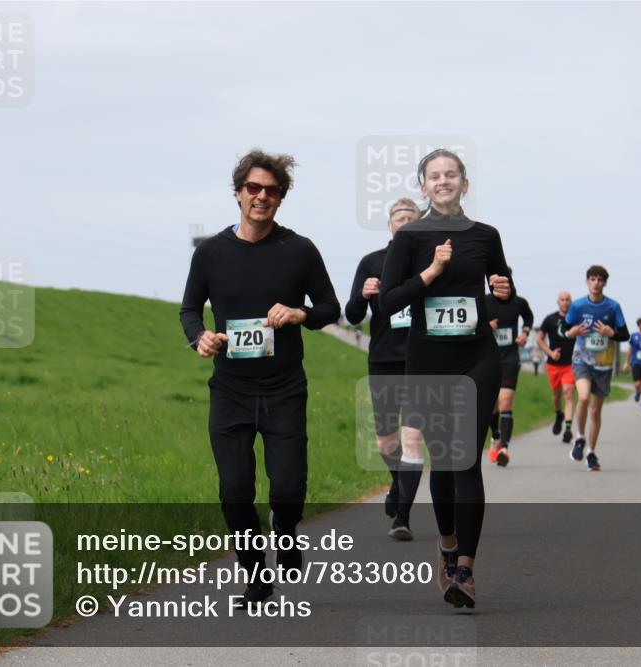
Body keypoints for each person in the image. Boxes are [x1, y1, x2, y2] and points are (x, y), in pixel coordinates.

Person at [179, 149, 340, 607]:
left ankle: (285, 531)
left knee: (287, 488)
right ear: (238, 193)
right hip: (230, 389)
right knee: (234, 491)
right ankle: (255, 576)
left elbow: (330, 307)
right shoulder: (210, 252)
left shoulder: (300, 249)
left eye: (271, 191)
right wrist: (199, 338)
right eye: (253, 188)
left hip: (284, 388)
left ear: (280, 198)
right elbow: (190, 308)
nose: (261, 197)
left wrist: (298, 312)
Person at [380, 148, 513, 609]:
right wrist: (432, 272)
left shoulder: (485, 235)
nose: (443, 181)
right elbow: (387, 303)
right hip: (429, 361)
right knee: (443, 459)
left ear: (464, 183)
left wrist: (504, 293)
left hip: (477, 358)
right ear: (424, 187)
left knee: (467, 462)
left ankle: (466, 572)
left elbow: (504, 296)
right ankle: (448, 544)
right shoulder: (410, 238)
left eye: (450, 174)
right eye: (434, 176)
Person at [345, 198, 425, 540]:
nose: (404, 223)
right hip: (383, 359)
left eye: (411, 218)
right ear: (389, 224)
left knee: (413, 438)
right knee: (385, 441)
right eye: (399, 218)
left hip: (423, 360)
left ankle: (402, 517)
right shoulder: (372, 262)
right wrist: (363, 296)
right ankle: (397, 485)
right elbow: (350, 315)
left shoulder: (430, 261)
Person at [565, 266, 630, 471]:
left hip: (603, 364)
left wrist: (611, 333)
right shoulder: (577, 306)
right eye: (592, 279)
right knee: (583, 397)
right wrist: (572, 332)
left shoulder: (613, 307)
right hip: (581, 361)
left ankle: (591, 453)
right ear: (587, 281)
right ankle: (580, 437)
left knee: (595, 411)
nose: (596, 283)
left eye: (600, 280)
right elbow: (563, 328)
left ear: (605, 283)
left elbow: (625, 334)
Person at [485, 291, 534, 466]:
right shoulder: (483, 301)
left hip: (510, 359)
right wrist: (485, 326)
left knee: (505, 402)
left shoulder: (519, 302)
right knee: (491, 404)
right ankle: (496, 436)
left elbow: (528, 318)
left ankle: (504, 448)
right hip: (487, 358)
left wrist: (525, 334)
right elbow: (470, 323)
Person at [537, 291, 577, 444]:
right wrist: (550, 353)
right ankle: (559, 414)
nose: (565, 302)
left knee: (568, 393)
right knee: (556, 396)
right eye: (562, 300)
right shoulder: (550, 319)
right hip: (553, 364)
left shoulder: (575, 319)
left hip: (570, 364)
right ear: (558, 302)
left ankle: (567, 429)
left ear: (571, 302)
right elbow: (539, 339)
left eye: (568, 300)